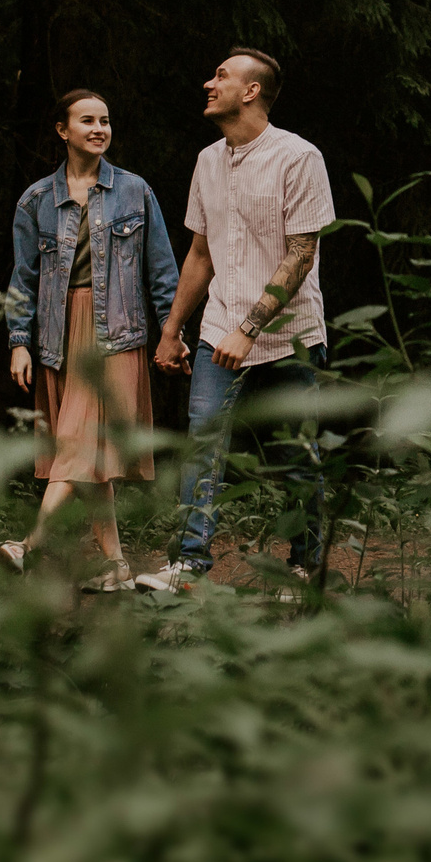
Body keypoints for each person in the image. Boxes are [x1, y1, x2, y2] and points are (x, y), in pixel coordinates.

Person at [146, 47, 336, 588]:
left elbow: (300, 255)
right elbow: (200, 253)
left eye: (220, 76)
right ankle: (188, 563)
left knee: (296, 458)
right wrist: (171, 329)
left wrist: (250, 330)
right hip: (217, 331)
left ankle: (306, 566)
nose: (208, 83)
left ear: (251, 91)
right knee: (203, 443)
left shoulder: (299, 157)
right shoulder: (208, 160)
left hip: (288, 337)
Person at [0, 90, 180, 590]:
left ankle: (30, 546)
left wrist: (173, 332)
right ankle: (116, 565)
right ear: (63, 130)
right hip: (60, 334)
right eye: (87, 121)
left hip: (118, 333)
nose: (99, 128)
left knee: (78, 444)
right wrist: (20, 340)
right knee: (90, 456)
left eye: (105, 120)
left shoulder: (134, 191)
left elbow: (163, 270)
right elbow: (23, 277)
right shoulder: (36, 200)